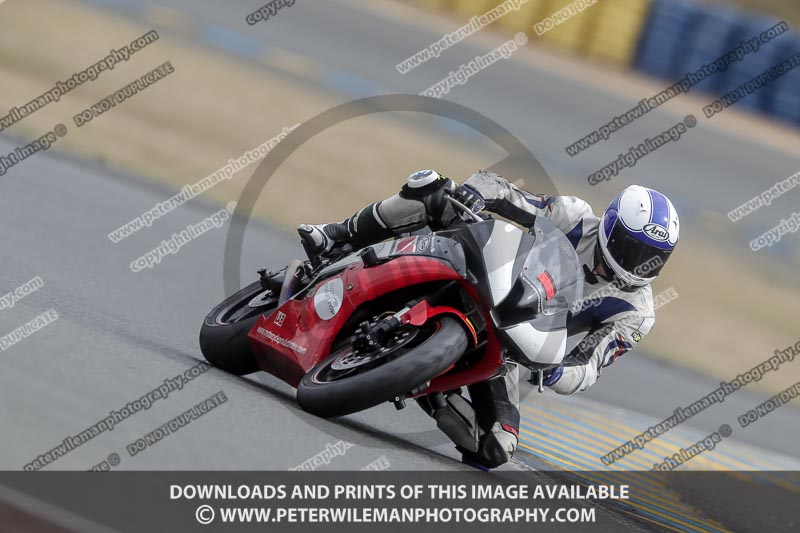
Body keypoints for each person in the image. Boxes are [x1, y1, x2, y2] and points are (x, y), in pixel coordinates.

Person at [298, 170, 679, 468]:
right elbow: (502, 191)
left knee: (496, 447)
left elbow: (589, 367)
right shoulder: (573, 216)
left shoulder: (636, 313)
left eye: (653, 257)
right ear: (611, 228)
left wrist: (556, 372)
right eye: (632, 248)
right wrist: (475, 193)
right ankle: (336, 235)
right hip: (483, 269)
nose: (638, 263)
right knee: (434, 188)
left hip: (511, 344)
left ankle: (426, 380)